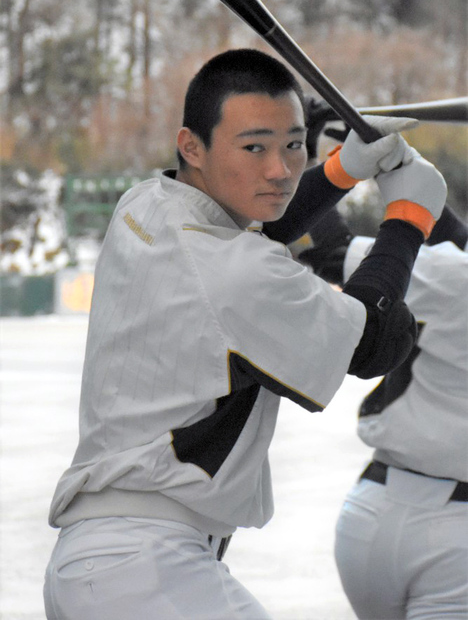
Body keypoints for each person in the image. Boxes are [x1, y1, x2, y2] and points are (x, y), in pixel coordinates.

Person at [43, 48, 447, 620]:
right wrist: (409, 218)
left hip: (106, 564)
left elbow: (257, 220)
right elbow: (373, 340)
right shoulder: (233, 272)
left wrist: (341, 169)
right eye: (253, 147)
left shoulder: (146, 204)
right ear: (191, 146)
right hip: (143, 570)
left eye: (292, 145)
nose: (279, 169)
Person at [302, 200, 468, 620]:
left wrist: (331, 168)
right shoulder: (455, 271)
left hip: (372, 510)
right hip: (455, 538)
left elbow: (329, 252)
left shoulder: (452, 273)